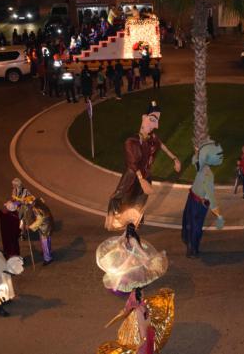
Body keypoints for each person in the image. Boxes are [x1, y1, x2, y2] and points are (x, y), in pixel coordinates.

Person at [106, 102, 181, 231]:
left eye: (157, 122)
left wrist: (174, 158)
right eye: (152, 120)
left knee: (139, 203)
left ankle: (134, 223)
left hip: (145, 176)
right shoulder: (131, 142)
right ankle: (119, 223)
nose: (155, 126)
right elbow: (132, 163)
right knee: (120, 197)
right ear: (143, 118)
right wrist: (141, 180)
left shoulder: (152, 138)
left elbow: (162, 145)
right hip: (132, 177)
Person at [182, 139, 225, 257]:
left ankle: (191, 247)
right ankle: (192, 248)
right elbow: (210, 195)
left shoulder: (204, 170)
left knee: (192, 225)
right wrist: (218, 214)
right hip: (196, 201)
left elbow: (194, 161)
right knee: (193, 225)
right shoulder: (206, 171)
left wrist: (196, 152)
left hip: (195, 200)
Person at [96, 223, 168, 293]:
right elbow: (120, 242)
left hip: (131, 258)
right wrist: (122, 249)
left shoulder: (131, 239)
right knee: (123, 270)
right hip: (126, 256)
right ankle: (123, 281)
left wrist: (146, 257)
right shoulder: (127, 236)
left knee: (125, 270)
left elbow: (138, 249)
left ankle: (125, 282)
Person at [27, 199, 54, 266]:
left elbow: (39, 220)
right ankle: (48, 253)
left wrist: (30, 227)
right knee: (48, 241)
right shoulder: (42, 206)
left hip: (44, 228)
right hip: (48, 225)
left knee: (45, 243)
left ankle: (48, 258)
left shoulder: (36, 209)